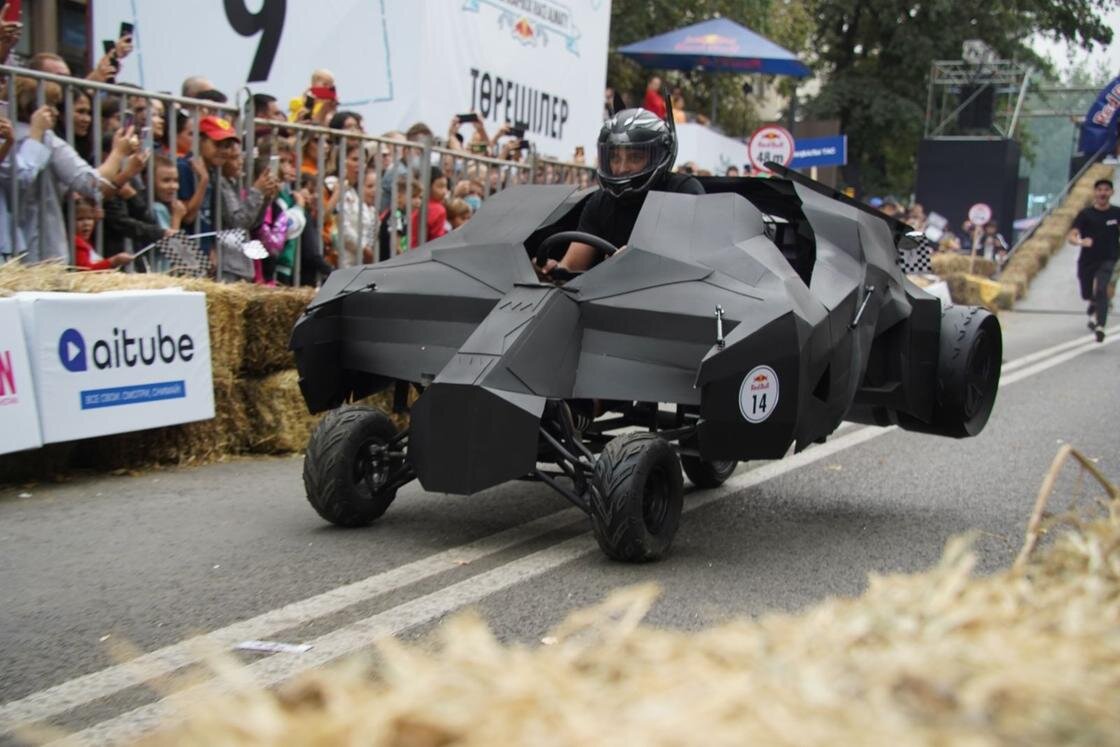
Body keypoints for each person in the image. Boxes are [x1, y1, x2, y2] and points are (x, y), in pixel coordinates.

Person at [538, 107, 702, 276]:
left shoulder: (683, 192)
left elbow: (692, 263)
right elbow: (572, 265)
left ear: (659, 155)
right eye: (615, 158)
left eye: (635, 157)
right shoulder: (601, 201)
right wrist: (551, 271)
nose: (622, 168)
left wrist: (640, 259)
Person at [1068, 177, 1120, 342]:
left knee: (1102, 289)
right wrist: (1080, 241)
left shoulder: (1117, 213)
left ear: (1112, 192)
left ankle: (1100, 326)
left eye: (1106, 190)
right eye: (1100, 190)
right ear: (1095, 193)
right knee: (1087, 293)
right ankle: (1093, 304)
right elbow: (1072, 235)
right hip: (1088, 260)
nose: (1103, 193)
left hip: (1109, 258)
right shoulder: (1085, 214)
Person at [74, 198, 134, 270]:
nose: (86, 223)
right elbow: (86, 270)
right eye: (80, 219)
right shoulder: (77, 242)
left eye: (90, 218)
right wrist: (113, 261)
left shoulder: (85, 240)